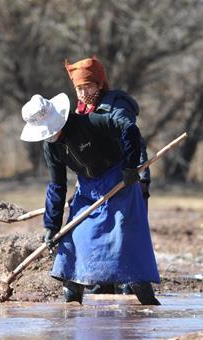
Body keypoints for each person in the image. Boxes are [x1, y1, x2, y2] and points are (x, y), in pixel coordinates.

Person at [19, 92, 161, 305]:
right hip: (87, 189)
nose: (50, 135)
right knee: (74, 242)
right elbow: (57, 185)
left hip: (119, 182)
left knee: (124, 242)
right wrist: (52, 225)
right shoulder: (51, 147)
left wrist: (131, 165)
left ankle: (147, 304)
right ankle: (72, 306)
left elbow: (128, 128)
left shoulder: (90, 122)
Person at [64, 56, 150, 296]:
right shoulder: (79, 111)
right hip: (98, 184)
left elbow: (135, 140)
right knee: (98, 236)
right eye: (78, 88)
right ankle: (103, 289)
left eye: (87, 87)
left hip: (127, 177)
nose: (82, 93)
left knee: (124, 233)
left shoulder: (116, 106)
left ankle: (132, 290)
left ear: (100, 84)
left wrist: (140, 176)